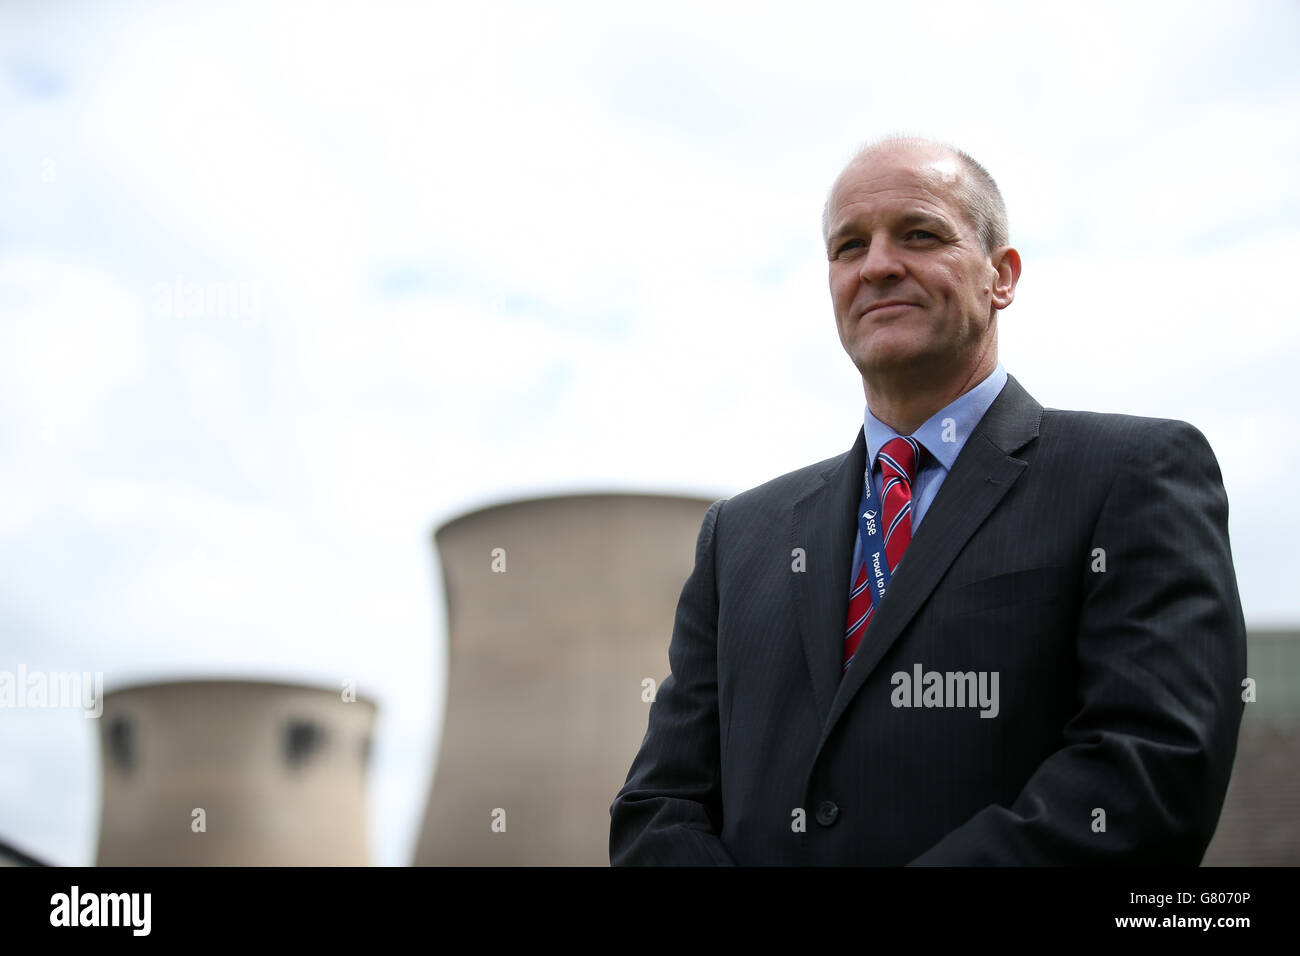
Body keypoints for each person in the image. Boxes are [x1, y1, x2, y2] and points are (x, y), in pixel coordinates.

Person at [608, 136, 1247, 865]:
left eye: (919, 233)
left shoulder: (1131, 475)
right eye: (849, 246)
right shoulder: (739, 537)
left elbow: (1150, 770)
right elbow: (659, 806)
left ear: (1000, 276)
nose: (878, 266)